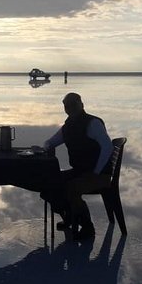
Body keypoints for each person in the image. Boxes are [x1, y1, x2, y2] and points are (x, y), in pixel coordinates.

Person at [43, 93, 113, 239]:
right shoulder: (68, 127)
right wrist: (47, 146)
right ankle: (69, 216)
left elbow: (107, 147)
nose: (70, 108)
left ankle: (87, 226)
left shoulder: (93, 123)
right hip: (79, 171)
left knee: (72, 188)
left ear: (81, 105)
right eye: (67, 106)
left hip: (100, 175)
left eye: (74, 104)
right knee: (49, 184)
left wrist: (96, 172)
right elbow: (50, 142)